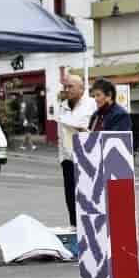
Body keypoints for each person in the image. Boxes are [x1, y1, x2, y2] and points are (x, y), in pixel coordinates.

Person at [57, 75, 95, 226]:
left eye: (71, 86)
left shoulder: (91, 104)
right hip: (67, 159)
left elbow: (87, 127)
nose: (67, 89)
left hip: (86, 158)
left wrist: (72, 124)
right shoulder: (63, 105)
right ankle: (74, 226)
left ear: (82, 88)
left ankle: (89, 230)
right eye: (65, 86)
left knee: (87, 197)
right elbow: (62, 132)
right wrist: (62, 157)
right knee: (71, 198)